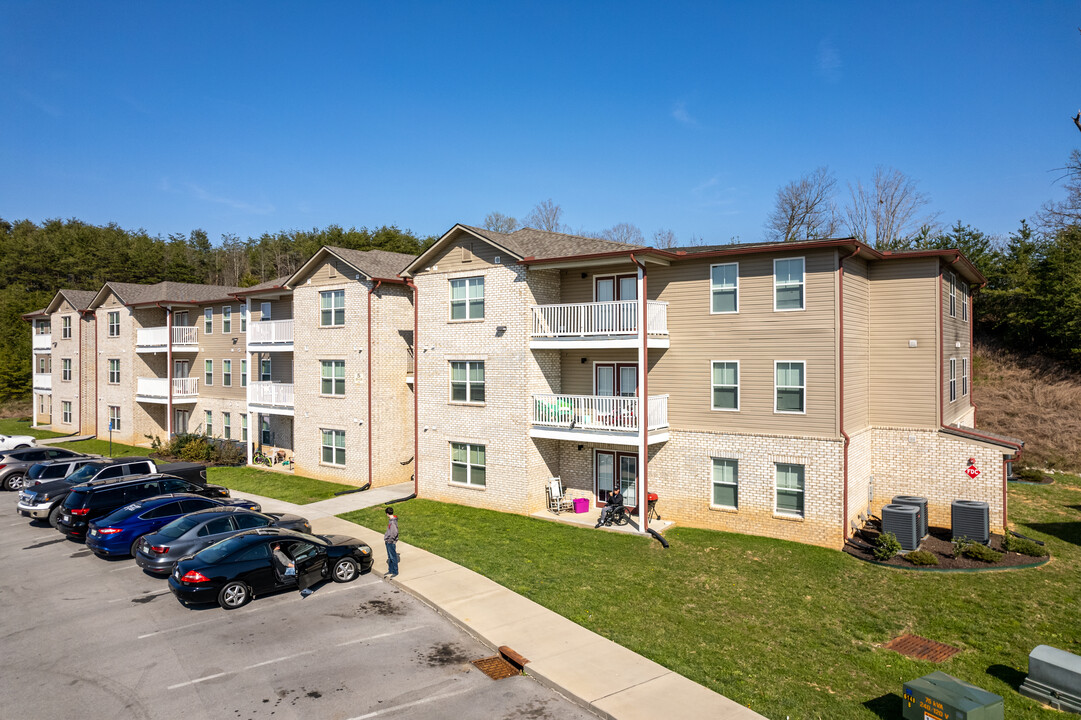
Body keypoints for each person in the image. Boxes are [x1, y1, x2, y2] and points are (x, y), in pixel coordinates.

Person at [384, 506, 399, 578]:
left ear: (387, 514)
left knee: (393, 557)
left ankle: (395, 571)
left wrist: (390, 540)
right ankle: (390, 570)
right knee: (389, 556)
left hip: (390, 542)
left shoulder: (393, 522)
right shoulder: (391, 520)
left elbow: (394, 532)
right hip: (388, 541)